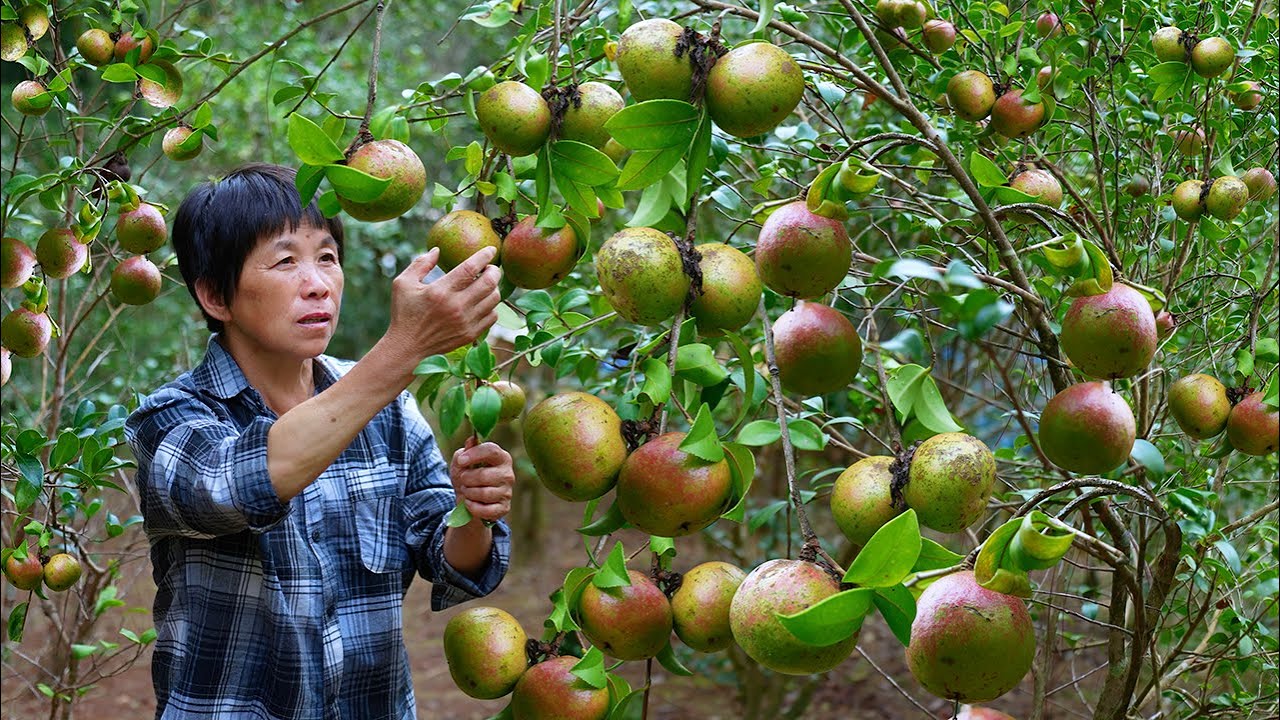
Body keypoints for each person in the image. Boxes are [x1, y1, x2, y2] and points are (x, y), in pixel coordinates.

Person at [124, 163, 514, 719]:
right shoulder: (170, 421)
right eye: (286, 261)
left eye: (327, 257)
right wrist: (405, 348)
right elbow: (243, 480)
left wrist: (472, 512)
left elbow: (446, 556)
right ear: (215, 295)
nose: (318, 283)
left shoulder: (390, 411)